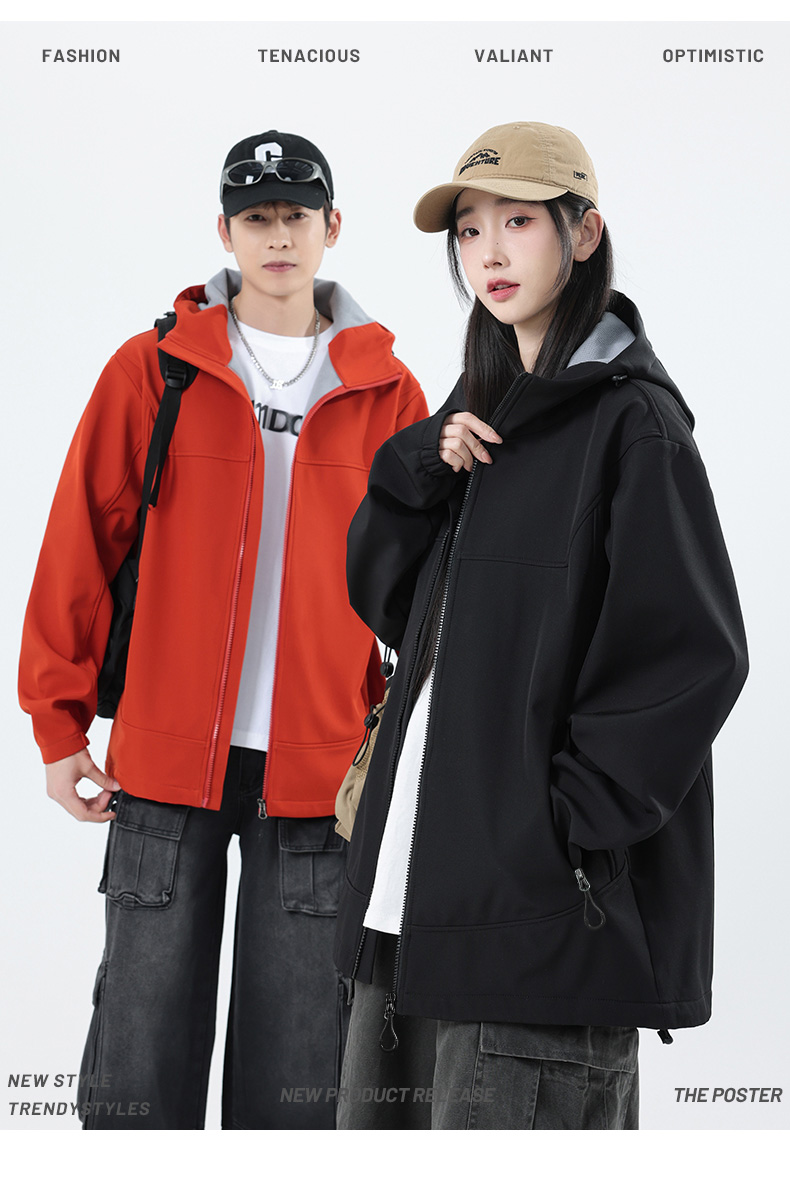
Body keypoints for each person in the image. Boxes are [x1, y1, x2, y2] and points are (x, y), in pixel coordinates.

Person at [333, 122, 749, 1130]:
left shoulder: (634, 426)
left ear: (584, 233)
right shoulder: (480, 423)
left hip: (540, 936)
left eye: (518, 221)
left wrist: (559, 830)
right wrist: (419, 467)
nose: (489, 251)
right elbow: (390, 606)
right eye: (470, 228)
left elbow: (694, 656)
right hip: (408, 919)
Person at [18, 129, 428, 1129]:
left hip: (321, 773)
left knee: (298, 1079)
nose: (277, 235)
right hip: (164, 767)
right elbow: (80, 543)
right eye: (256, 217)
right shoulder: (156, 368)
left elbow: (419, 591)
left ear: (332, 226)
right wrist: (58, 726)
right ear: (225, 231)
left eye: (296, 215)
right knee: (137, 1068)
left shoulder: (390, 390)